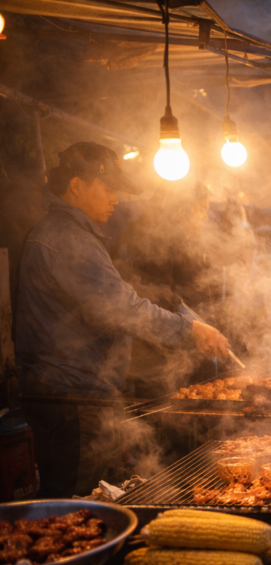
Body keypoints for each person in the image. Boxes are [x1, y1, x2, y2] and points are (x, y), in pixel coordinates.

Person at [16, 142, 231, 498]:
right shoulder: (68, 239)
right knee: (76, 499)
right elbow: (122, 308)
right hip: (71, 393)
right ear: (77, 185)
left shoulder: (66, 232)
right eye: (108, 189)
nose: (115, 199)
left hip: (68, 391)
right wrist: (190, 329)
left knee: (81, 492)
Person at [115, 180, 216, 398]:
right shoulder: (156, 243)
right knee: (162, 411)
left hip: (176, 354)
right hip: (156, 361)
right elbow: (161, 300)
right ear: (181, 209)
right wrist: (196, 327)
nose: (206, 217)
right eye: (201, 209)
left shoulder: (180, 242)